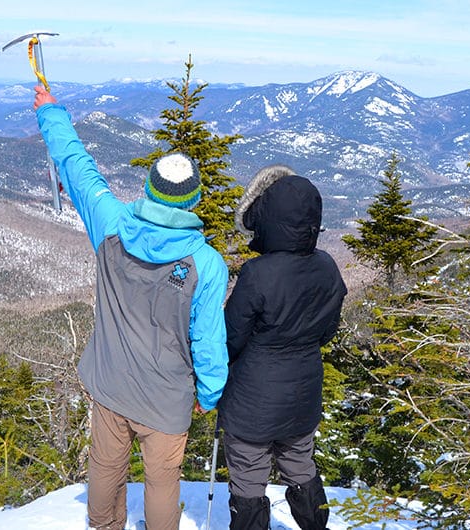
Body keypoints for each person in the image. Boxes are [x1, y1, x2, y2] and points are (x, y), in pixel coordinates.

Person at [32, 85, 229, 530]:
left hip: (112, 383)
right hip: (167, 396)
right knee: (162, 483)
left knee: (105, 468)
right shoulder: (206, 264)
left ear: (148, 190)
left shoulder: (111, 223)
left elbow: (79, 169)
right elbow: (208, 338)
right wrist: (209, 392)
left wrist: (51, 113)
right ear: (194, 200)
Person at [217, 165, 347, 530]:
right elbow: (327, 331)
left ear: (268, 219)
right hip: (303, 391)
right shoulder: (327, 267)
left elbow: (232, 336)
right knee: (301, 466)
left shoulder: (258, 273)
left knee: (248, 477)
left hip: (252, 399)